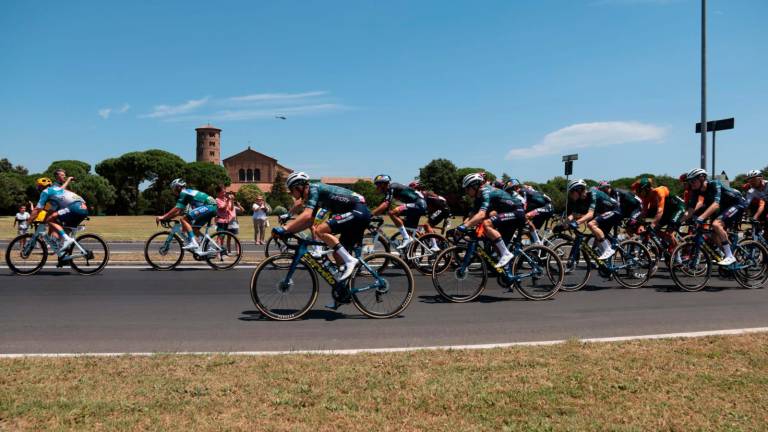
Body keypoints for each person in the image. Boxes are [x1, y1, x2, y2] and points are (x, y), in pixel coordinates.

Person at [273, 172, 371, 282]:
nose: (291, 193)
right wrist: (289, 232)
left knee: (320, 230)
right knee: (337, 255)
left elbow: (306, 214)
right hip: (356, 213)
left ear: (299, 186)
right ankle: (344, 291)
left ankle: (350, 260)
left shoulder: (314, 189)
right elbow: (309, 222)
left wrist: (285, 228)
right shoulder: (313, 196)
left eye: (291, 190)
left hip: (358, 210)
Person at [680, 168, 747, 266]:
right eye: (690, 182)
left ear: (702, 178)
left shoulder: (715, 184)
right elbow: (690, 211)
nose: (691, 184)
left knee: (716, 224)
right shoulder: (695, 191)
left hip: (737, 203)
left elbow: (715, 204)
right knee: (715, 235)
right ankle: (729, 254)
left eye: (693, 181)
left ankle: (730, 256)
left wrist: (701, 218)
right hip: (723, 206)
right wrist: (678, 222)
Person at [458, 172, 524, 269]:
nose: (466, 191)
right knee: (494, 243)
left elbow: (481, 214)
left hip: (517, 212)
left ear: (475, 186)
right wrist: (459, 227)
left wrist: (464, 226)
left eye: (467, 188)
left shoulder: (486, 192)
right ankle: (509, 273)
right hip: (509, 216)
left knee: (486, 223)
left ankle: (506, 254)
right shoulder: (478, 197)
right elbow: (472, 216)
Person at [28, 176, 89, 255]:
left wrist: (28, 222)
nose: (38, 188)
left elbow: (37, 209)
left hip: (74, 207)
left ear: (42, 186)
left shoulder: (46, 191)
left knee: (50, 220)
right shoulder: (57, 192)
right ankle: (64, 256)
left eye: (38, 186)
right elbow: (50, 211)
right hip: (83, 208)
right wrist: (43, 223)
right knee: (61, 226)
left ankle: (66, 239)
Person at [156, 179, 217, 252]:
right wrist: (167, 218)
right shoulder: (187, 193)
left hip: (209, 206)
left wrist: (163, 217)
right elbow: (179, 212)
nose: (173, 191)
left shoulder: (183, 193)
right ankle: (208, 247)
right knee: (194, 229)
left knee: (184, 220)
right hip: (211, 207)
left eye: (173, 188)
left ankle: (193, 242)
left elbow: (176, 208)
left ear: (178, 187)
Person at [566, 179, 621, 260]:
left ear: (579, 190)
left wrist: (576, 223)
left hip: (615, 211)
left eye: (571, 192)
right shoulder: (579, 200)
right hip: (602, 213)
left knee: (591, 224)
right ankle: (606, 263)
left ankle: (608, 249)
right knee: (597, 238)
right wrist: (564, 224)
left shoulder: (593, 193)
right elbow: (573, 215)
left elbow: (590, 214)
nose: (570, 194)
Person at [371, 175, 427, 250]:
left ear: (383, 184)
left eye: (377, 185)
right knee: (407, 229)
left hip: (419, 203)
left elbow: (386, 204)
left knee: (392, 213)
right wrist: (375, 213)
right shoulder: (389, 191)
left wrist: (371, 214)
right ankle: (409, 255)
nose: (376, 187)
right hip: (415, 205)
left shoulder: (392, 187)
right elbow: (383, 206)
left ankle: (406, 238)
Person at [505, 179, 554, 245]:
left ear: (516, 187)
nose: (510, 193)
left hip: (548, 207)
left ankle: (538, 244)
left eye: (510, 191)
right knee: (531, 230)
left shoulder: (522, 191)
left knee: (526, 216)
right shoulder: (521, 191)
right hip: (542, 207)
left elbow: (524, 207)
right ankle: (541, 248)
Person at [744, 170, 767, 236]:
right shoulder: (751, 191)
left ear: (761, 178)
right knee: (754, 204)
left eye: (754, 179)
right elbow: (746, 204)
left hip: (764, 206)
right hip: (762, 207)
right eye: (750, 180)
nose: (752, 182)